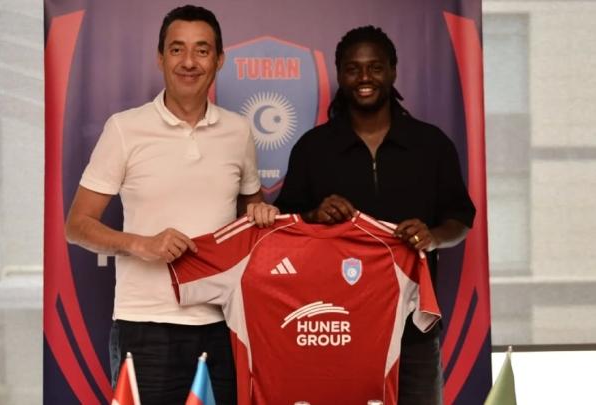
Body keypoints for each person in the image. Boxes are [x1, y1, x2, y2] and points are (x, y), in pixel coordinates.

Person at [65, 5, 277, 404]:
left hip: (224, 325)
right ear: (160, 58)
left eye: (202, 50)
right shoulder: (124, 129)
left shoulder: (238, 131)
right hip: (145, 327)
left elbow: (251, 211)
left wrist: (261, 213)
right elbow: (77, 225)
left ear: (219, 60)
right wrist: (141, 244)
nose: (189, 62)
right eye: (177, 49)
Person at [275, 26, 476, 405]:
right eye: (353, 69)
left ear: (393, 70)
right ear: (339, 74)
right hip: (334, 326)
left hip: (414, 328)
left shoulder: (430, 144)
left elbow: (460, 219)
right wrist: (315, 215)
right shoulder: (313, 148)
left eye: (375, 67)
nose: (364, 78)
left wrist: (433, 236)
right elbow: (282, 225)